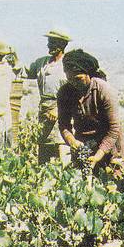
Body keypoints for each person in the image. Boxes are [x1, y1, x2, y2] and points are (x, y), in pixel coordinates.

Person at [57, 49, 124, 173]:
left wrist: (98, 155)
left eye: (78, 79)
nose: (74, 83)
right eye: (70, 79)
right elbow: (64, 124)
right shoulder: (64, 93)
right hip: (85, 143)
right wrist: (72, 141)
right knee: (82, 184)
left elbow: (114, 129)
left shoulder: (104, 90)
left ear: (88, 74)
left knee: (115, 183)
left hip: (111, 143)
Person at [25, 29, 72, 164]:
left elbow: (74, 92)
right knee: (44, 148)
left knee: (63, 146)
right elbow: (24, 71)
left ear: (62, 45)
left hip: (63, 112)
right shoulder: (42, 63)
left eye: (52, 42)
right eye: (49, 42)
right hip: (44, 113)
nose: (48, 45)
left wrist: (58, 109)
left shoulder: (68, 64)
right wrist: (13, 58)